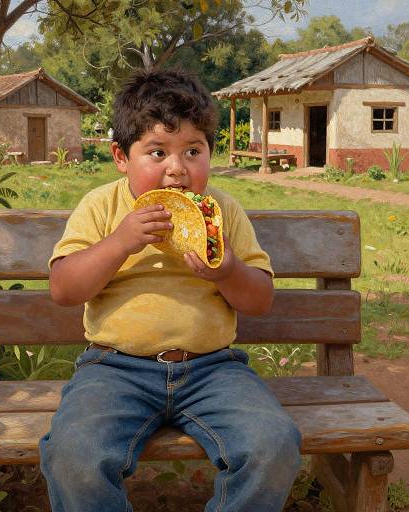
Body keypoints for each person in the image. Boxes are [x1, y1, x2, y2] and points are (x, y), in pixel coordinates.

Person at [39, 68, 302, 512]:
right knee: (74, 456)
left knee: (272, 445)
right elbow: (64, 289)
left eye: (193, 151)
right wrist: (121, 241)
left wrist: (226, 269)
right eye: (157, 152)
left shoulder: (223, 210)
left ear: (209, 154)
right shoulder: (103, 206)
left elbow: (259, 300)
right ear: (121, 157)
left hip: (213, 369)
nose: (177, 169)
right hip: (115, 368)